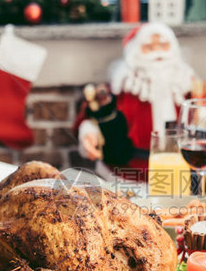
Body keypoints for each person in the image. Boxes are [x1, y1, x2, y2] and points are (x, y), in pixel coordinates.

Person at [76, 23, 195, 181]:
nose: (157, 52)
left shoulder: (186, 84)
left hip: (181, 172)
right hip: (131, 174)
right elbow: (95, 115)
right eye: (149, 47)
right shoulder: (123, 86)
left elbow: (204, 116)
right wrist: (90, 131)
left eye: (163, 45)